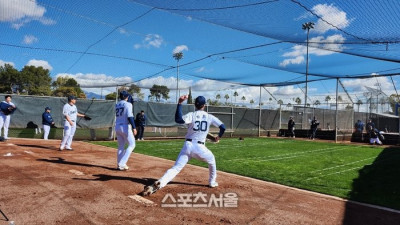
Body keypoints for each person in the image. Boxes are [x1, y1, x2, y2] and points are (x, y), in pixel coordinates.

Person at [143, 95, 226, 196]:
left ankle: (160, 182)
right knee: (212, 160)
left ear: (195, 105)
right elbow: (223, 127)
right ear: (204, 105)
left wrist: (180, 103)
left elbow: (178, 120)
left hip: (188, 145)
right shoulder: (210, 117)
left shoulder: (192, 115)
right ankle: (212, 182)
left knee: (176, 168)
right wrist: (218, 137)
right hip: (200, 147)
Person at [115, 91, 137, 171]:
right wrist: (134, 127)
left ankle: (119, 164)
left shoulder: (117, 104)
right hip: (125, 126)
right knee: (132, 145)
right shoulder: (128, 104)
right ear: (126, 97)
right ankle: (122, 163)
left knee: (121, 146)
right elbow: (130, 116)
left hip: (117, 126)